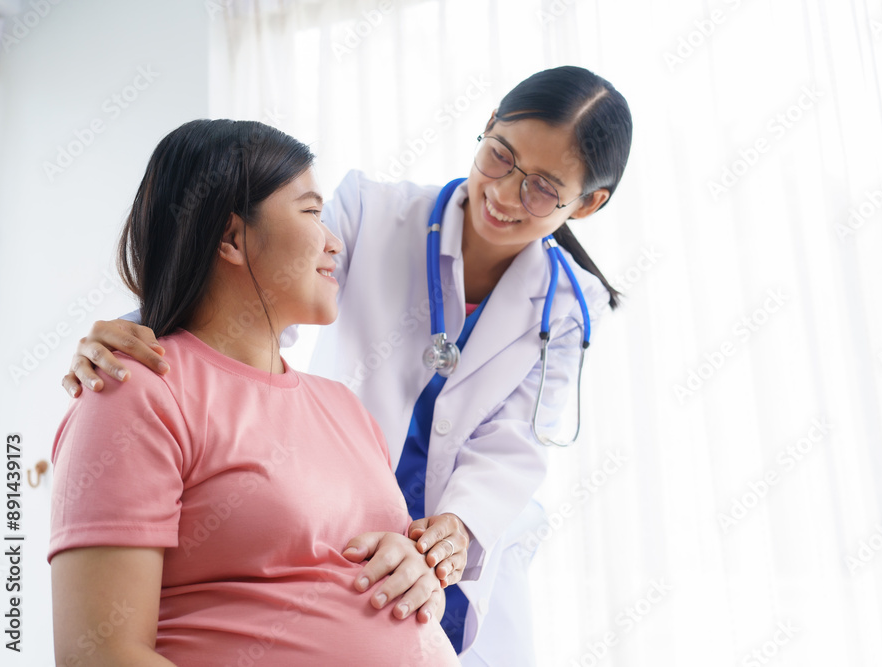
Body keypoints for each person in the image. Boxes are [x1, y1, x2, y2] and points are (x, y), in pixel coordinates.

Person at [61, 65, 633, 666]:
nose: (505, 193)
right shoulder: (374, 213)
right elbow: (256, 279)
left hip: (427, 534)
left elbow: (512, 442)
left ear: (588, 203)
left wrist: (458, 526)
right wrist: (140, 332)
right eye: (500, 156)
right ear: (487, 126)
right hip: (316, 504)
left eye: (542, 187)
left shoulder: (570, 306)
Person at [49, 119, 461, 666]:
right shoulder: (132, 393)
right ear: (232, 237)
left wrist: (414, 570)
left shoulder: (343, 407)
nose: (336, 243)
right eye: (313, 212)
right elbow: (99, 655)